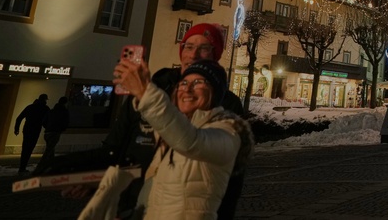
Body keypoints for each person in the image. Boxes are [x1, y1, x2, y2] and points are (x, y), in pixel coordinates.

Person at [48, 23, 247, 219]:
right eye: (188, 46)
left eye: (204, 48)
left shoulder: (226, 105)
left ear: (216, 55)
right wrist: (91, 179)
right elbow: (116, 147)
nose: (193, 55)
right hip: (129, 208)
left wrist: (146, 94)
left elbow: (198, 148)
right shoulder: (153, 90)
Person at [83, 58, 252, 220]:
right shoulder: (170, 135)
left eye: (199, 82)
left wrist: (145, 92)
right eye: (184, 83)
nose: (187, 89)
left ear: (215, 93)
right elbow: (153, 195)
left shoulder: (227, 133)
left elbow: (192, 142)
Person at [14, 93, 49, 175]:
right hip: (36, 130)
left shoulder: (30, 107)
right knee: (30, 148)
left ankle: (22, 167)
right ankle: (23, 167)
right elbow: (47, 121)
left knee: (25, 147)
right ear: (45, 100)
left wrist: (16, 129)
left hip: (27, 129)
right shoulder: (45, 109)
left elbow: (19, 118)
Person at [38, 96, 70, 170]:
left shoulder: (51, 111)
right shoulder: (64, 112)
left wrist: (48, 127)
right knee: (48, 150)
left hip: (47, 132)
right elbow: (66, 122)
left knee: (50, 149)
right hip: (55, 132)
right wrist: (61, 129)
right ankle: (40, 167)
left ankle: (51, 165)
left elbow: (44, 121)